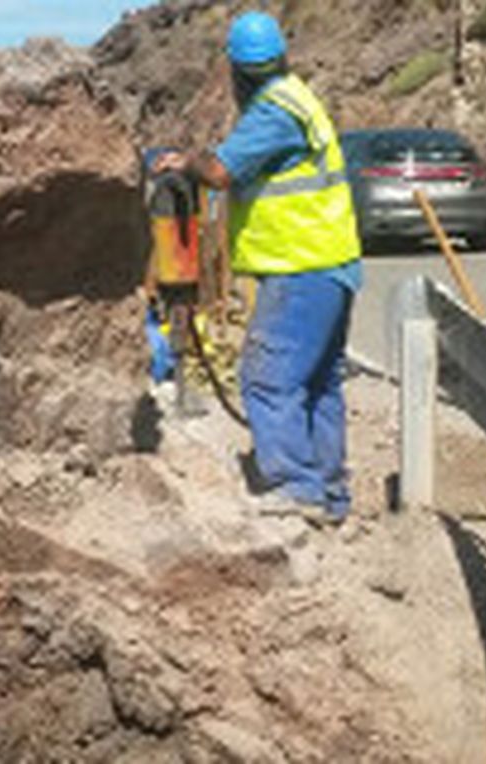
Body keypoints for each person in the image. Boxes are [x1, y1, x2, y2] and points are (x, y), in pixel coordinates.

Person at [152, 11, 363, 528]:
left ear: (237, 69)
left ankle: (296, 488)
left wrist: (186, 162)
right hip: (330, 265)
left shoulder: (273, 113)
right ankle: (329, 492)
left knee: (268, 379)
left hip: (300, 268)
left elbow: (221, 173)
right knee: (316, 383)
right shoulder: (298, 95)